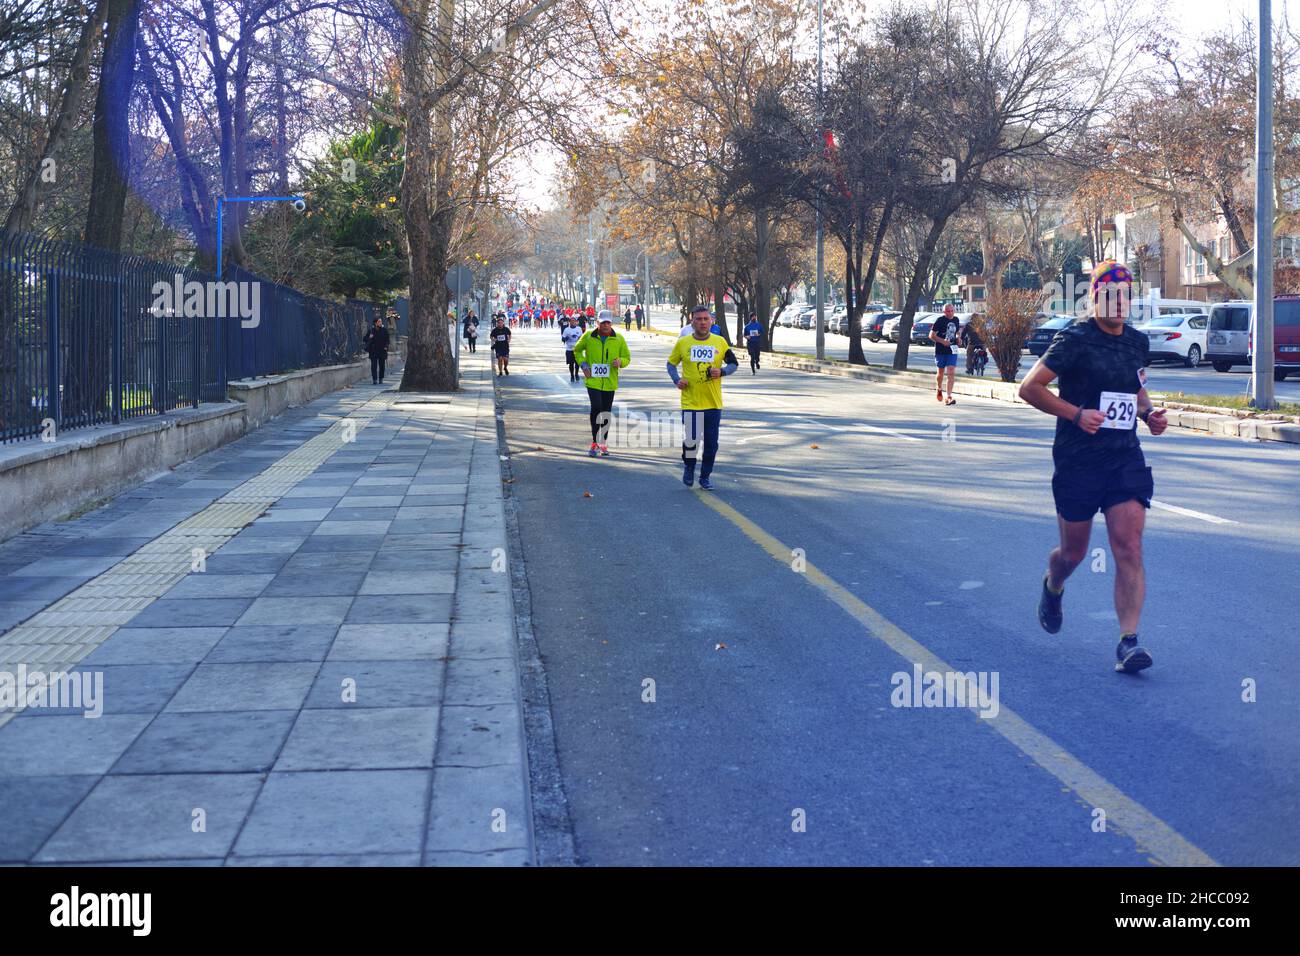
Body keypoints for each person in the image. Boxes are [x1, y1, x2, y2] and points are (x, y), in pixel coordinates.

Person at [1018, 260, 1168, 674]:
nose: (1119, 303)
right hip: (1078, 460)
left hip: (1123, 458)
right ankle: (1054, 583)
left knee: (1129, 546)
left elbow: (1136, 391)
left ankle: (1128, 642)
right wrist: (1075, 414)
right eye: (1110, 295)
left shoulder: (1137, 343)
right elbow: (1029, 387)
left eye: (1125, 296)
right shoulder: (1075, 340)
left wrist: (1150, 414)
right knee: (1073, 552)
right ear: (1095, 298)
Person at [666, 305, 738, 490]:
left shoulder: (720, 342)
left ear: (711, 321)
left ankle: (705, 476)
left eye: (706, 319)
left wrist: (722, 371)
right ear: (692, 321)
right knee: (692, 441)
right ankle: (689, 467)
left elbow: (733, 363)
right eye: (699, 319)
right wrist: (677, 380)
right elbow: (671, 364)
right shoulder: (683, 343)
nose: (703, 322)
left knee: (711, 445)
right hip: (691, 401)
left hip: (713, 403)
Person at [573, 310, 631, 456]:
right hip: (593, 380)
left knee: (606, 412)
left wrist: (620, 362)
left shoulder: (618, 339)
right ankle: (594, 442)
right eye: (603, 322)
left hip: (610, 381)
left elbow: (627, 357)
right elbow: (577, 350)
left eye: (608, 322)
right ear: (597, 322)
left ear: (611, 323)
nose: (605, 325)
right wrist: (584, 365)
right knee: (596, 407)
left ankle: (603, 443)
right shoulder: (588, 336)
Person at [929, 303, 960, 405]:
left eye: (952, 311)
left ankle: (949, 396)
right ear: (944, 312)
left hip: (952, 349)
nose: (950, 313)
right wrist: (942, 341)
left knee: (951, 371)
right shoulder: (940, 321)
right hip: (941, 350)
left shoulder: (956, 320)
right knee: (940, 373)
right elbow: (931, 335)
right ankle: (939, 388)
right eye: (948, 311)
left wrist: (958, 337)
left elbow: (957, 332)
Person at [362, 317, 390, 385]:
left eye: (381, 321)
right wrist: (369, 337)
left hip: (382, 350)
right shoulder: (371, 330)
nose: (381, 323)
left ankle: (381, 378)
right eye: (379, 321)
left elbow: (387, 340)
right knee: (374, 365)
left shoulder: (384, 330)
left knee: (382, 365)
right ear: (375, 323)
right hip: (373, 350)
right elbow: (364, 338)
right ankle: (374, 379)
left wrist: (386, 347)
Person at [561, 314, 583, 383]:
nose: (573, 322)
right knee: (571, 364)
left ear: (576, 322)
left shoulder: (579, 329)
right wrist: (567, 338)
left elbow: (581, 338)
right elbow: (563, 339)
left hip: (577, 349)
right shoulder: (566, 330)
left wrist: (579, 339)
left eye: (574, 321)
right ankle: (572, 375)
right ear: (569, 322)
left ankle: (576, 374)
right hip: (569, 349)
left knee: (577, 363)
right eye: (571, 321)